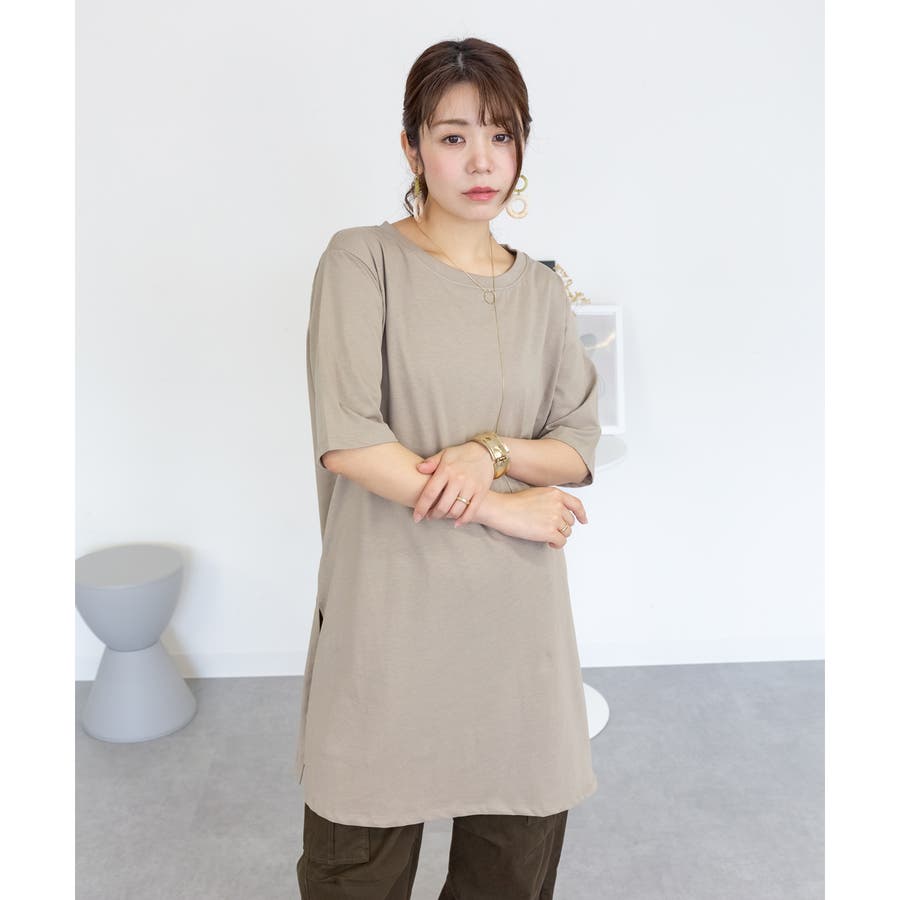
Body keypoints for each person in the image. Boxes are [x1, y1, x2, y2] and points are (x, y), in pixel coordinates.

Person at [295, 36, 601, 899]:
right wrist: (503, 504)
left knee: (510, 872)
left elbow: (576, 444)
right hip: (388, 615)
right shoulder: (361, 260)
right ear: (412, 147)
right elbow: (350, 439)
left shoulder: (542, 291)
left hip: (516, 630)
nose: (481, 161)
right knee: (355, 873)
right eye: (454, 136)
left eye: (501, 136)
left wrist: (489, 452)